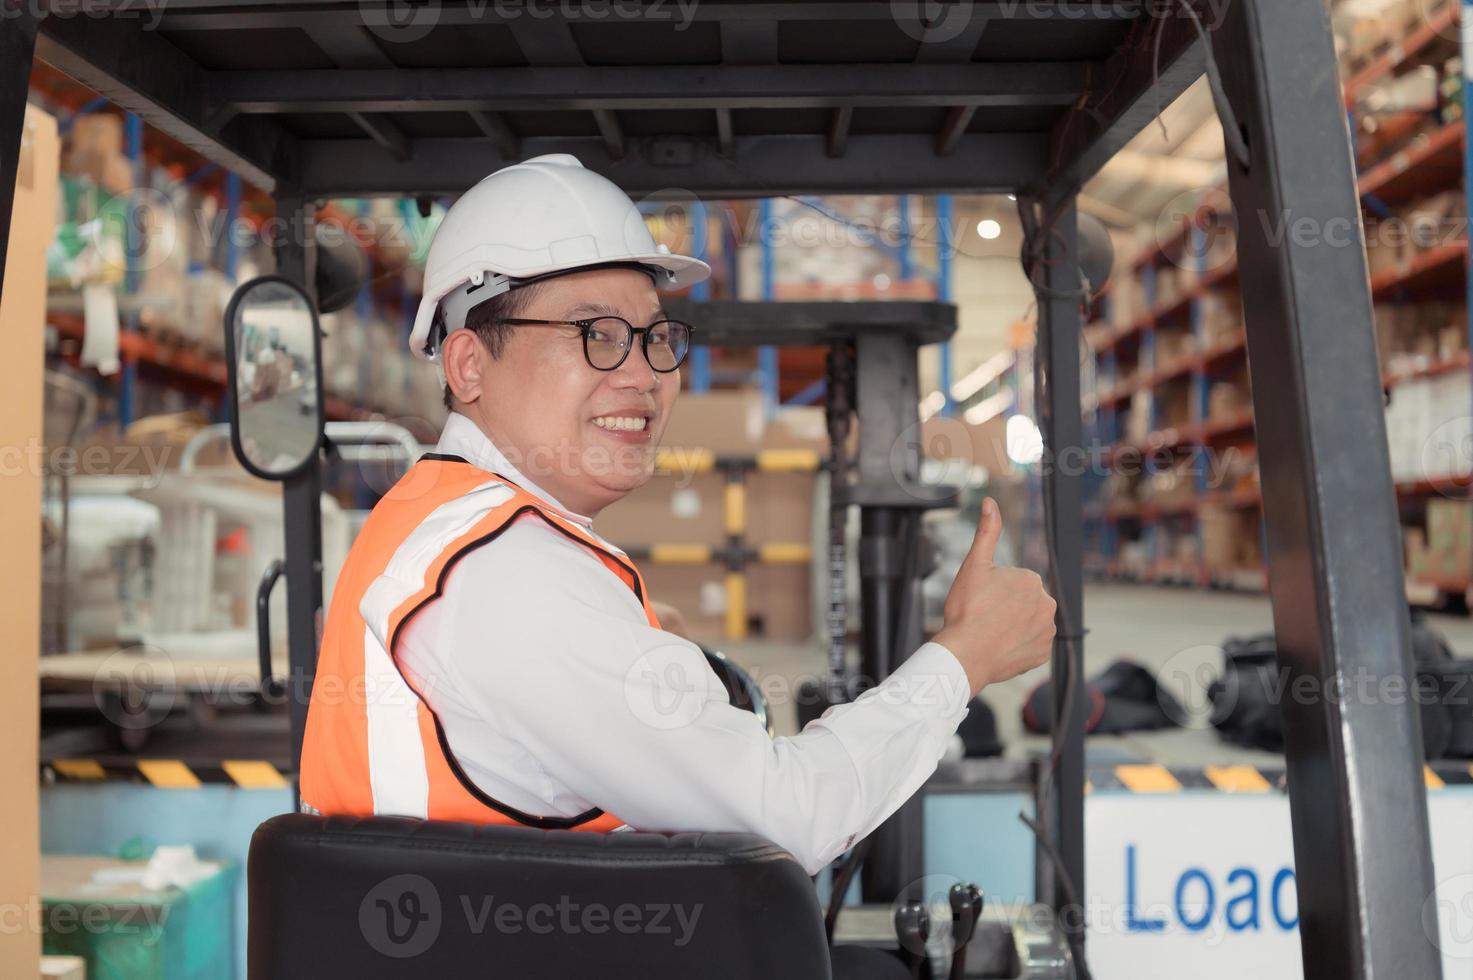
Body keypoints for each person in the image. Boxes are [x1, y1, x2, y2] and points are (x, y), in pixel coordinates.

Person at [298, 155, 1056, 978]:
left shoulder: (437, 522)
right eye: (595, 334)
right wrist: (964, 657)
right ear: (469, 364)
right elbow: (787, 817)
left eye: (656, 338)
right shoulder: (500, 570)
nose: (644, 375)